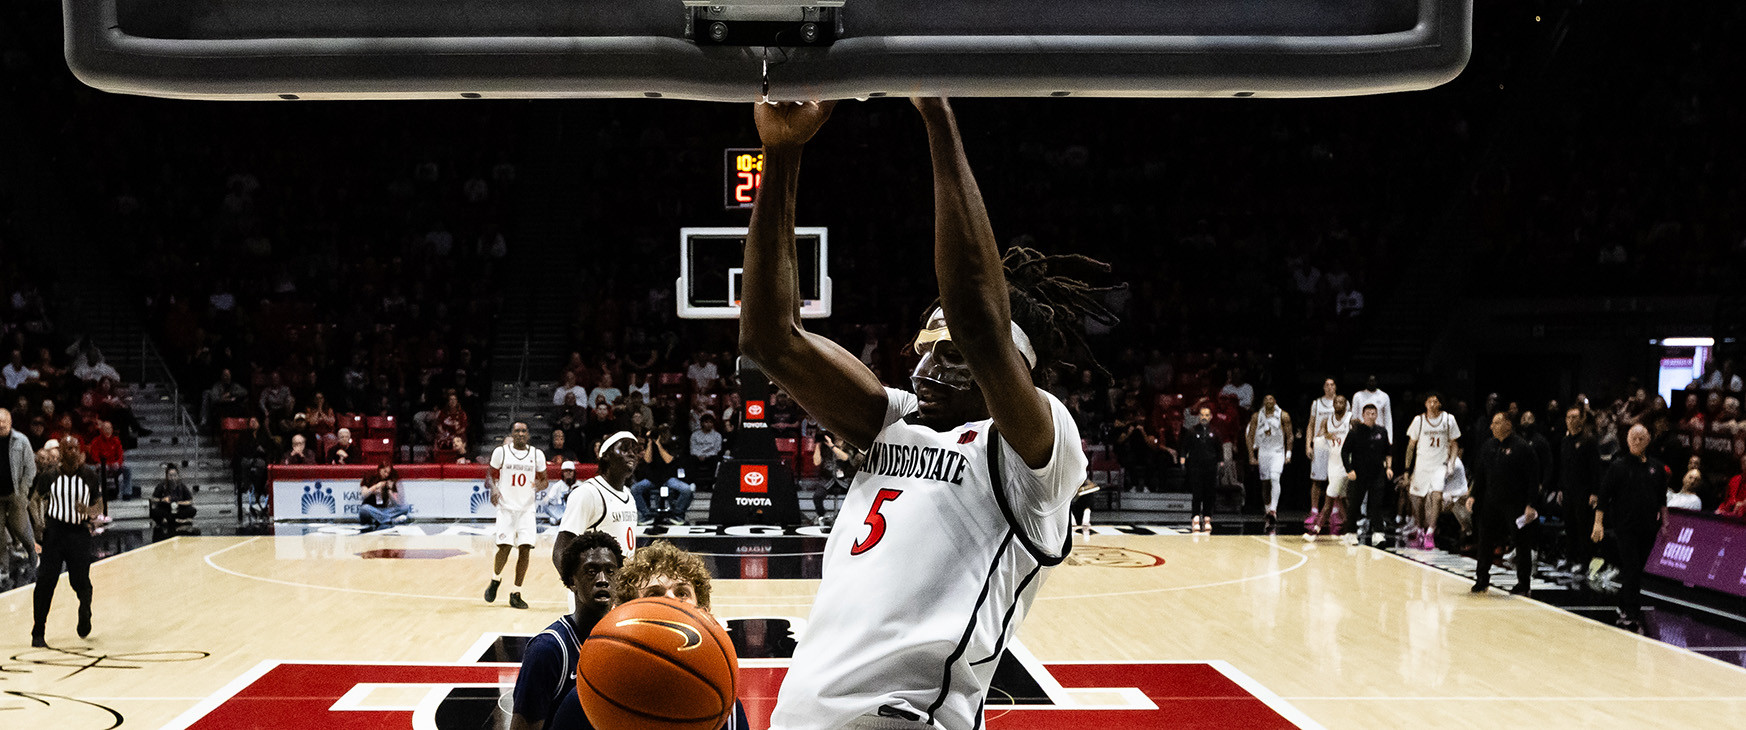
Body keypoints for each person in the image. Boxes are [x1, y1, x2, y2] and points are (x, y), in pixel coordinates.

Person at [743, 98, 1102, 730]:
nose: (928, 366)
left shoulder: (1034, 450)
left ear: (1011, 369)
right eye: (926, 348)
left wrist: (936, 112)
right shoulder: (895, 420)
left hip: (904, 718)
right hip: (801, 714)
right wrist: (782, 151)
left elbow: (979, 320)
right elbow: (772, 340)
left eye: (953, 355)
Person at [593, 540, 751, 729]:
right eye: (654, 594)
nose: (671, 599)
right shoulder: (596, 690)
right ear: (626, 611)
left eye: (682, 593)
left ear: (703, 609)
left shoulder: (725, 706)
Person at [507, 530, 624, 730]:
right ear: (571, 582)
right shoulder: (547, 650)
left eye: (610, 571)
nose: (602, 579)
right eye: (591, 571)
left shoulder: (626, 641)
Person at [1593, 424, 1668, 631]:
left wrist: (1665, 524)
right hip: (1625, 527)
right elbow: (1603, 496)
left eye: (1641, 438)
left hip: (1648, 527)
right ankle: (1632, 611)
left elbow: (1662, 499)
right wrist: (1598, 523)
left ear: (1648, 440)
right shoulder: (1618, 467)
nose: (1637, 441)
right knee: (1632, 566)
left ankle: (1623, 601)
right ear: (1627, 440)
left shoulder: (1657, 468)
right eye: (1633, 437)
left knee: (1636, 569)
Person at [28, 436, 101, 647]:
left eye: (75, 448)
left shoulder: (89, 476)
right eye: (68, 448)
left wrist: (87, 510)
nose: (72, 452)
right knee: (45, 581)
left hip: (79, 533)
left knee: (79, 580)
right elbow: (34, 500)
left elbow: (99, 506)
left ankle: (85, 609)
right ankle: (38, 630)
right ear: (61, 451)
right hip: (55, 533)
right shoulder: (49, 476)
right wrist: (39, 523)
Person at [1469, 412, 1542, 596]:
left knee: (1521, 543)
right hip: (1491, 502)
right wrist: (1473, 495)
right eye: (1492, 423)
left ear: (1508, 425)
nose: (1492, 426)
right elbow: (1480, 474)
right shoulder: (1488, 446)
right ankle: (1482, 579)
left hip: (1515, 503)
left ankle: (1523, 583)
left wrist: (1531, 504)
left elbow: (1533, 478)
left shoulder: (1522, 448)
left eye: (1496, 423)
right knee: (1485, 540)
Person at [555, 432, 641, 569]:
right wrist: (574, 581)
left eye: (635, 451)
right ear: (606, 455)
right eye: (624, 449)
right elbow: (560, 551)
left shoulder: (628, 494)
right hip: (599, 580)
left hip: (623, 580)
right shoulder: (587, 493)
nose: (632, 454)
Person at [485, 422, 548, 610]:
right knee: (504, 547)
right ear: (511, 434)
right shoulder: (501, 452)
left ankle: (516, 592)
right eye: (517, 431)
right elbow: (490, 475)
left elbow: (545, 480)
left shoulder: (536, 454)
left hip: (527, 509)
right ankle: (496, 579)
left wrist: (538, 486)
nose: (520, 434)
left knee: (525, 548)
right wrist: (494, 489)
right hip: (506, 507)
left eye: (523, 431)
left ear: (528, 434)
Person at [1404, 393, 1461, 550]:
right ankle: (1420, 529)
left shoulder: (1448, 419)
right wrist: (1407, 470)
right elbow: (1411, 446)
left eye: (1436, 401)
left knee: (1437, 496)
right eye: (1430, 401)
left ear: (1440, 404)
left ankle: (1430, 531)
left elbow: (1454, 443)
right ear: (1425, 404)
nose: (1433, 404)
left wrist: (1451, 462)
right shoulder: (1419, 420)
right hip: (1422, 465)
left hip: (1439, 465)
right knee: (1418, 500)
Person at [1558, 407, 1604, 575]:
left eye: (1575, 417)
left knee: (1582, 526)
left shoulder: (1588, 440)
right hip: (1568, 490)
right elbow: (1563, 467)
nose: (1571, 420)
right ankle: (1570, 558)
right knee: (1569, 525)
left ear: (1581, 419)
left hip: (1584, 491)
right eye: (1569, 417)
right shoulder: (1565, 441)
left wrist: (1595, 492)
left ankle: (1585, 561)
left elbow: (1595, 469)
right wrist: (1560, 488)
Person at [1341, 403, 1393, 546]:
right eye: (1368, 413)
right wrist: (1349, 469)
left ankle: (1378, 532)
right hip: (1359, 473)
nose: (1371, 416)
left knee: (1376, 503)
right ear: (1363, 415)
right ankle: (1351, 532)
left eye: (1373, 413)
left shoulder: (1382, 431)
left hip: (1377, 473)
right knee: (1355, 503)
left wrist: (1389, 467)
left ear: (1377, 415)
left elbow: (1388, 451)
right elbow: (1344, 451)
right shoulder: (1355, 432)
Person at [1, 408, 38, 587]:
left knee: (21, 529)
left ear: (10, 423)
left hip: (15, 493)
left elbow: (31, 468)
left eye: (3, 422)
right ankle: (3, 568)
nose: (0, 425)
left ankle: (32, 552)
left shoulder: (21, 441)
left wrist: (23, 492)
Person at [1245, 394, 1293, 531]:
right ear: (1263, 402)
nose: (1268, 401)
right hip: (1264, 452)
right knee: (1265, 483)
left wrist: (1288, 454)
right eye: (1266, 399)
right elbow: (1250, 436)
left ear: (1275, 401)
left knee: (1275, 477)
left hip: (1278, 451)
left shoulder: (1283, 415)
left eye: (1271, 399)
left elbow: (1289, 436)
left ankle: (1273, 510)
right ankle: (1267, 510)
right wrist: (1251, 456)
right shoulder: (1257, 416)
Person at [1306, 395, 1351, 539]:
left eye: (1342, 402)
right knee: (1342, 498)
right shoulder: (1327, 421)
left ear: (1346, 405)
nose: (1339, 404)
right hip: (1333, 462)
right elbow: (1320, 437)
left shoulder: (1351, 419)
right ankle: (1351, 529)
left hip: (1345, 463)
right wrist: (1324, 436)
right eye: (1336, 402)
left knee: (1330, 496)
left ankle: (1316, 529)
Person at [633, 425, 694, 526]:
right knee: (635, 489)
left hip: (668, 477)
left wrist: (659, 445)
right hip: (653, 478)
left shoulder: (672, 444)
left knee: (686, 490)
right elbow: (647, 460)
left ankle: (677, 514)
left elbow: (668, 460)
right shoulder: (652, 445)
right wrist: (650, 442)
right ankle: (646, 515)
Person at [1182, 405, 1223, 533]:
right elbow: (1184, 448)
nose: (1204, 417)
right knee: (1197, 493)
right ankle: (1195, 517)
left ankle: (1207, 518)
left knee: (1209, 494)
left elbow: (1219, 450)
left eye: (1206, 415)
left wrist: (1221, 463)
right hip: (1196, 466)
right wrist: (1182, 461)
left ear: (1210, 417)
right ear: (1199, 416)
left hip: (1210, 467)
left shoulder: (1215, 432)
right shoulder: (1192, 431)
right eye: (1202, 415)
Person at [1305, 378, 1339, 529]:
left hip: (1335, 444)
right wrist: (1308, 445)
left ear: (1335, 387)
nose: (1330, 387)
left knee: (1335, 478)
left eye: (1332, 384)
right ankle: (1314, 510)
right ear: (1323, 387)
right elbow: (1311, 425)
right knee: (1316, 480)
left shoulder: (1342, 402)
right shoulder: (1317, 403)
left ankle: (1334, 511)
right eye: (1327, 385)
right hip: (1320, 443)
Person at [811, 429, 856, 525]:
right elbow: (816, 462)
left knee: (856, 494)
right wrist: (818, 445)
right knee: (817, 496)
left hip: (845, 480)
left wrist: (832, 446)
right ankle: (821, 516)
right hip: (827, 480)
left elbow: (845, 458)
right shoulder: (824, 445)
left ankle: (852, 516)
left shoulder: (848, 445)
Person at [150, 464, 198, 537]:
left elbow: (189, 500)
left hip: (178, 509)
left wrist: (179, 503)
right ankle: (179, 520)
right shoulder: (161, 485)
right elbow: (153, 499)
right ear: (166, 476)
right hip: (166, 509)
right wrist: (162, 499)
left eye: (175, 475)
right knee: (154, 511)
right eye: (170, 475)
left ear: (178, 475)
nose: (172, 478)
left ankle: (171, 520)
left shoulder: (181, 486)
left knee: (192, 510)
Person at [359, 462, 410, 527]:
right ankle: (390, 520)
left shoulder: (389, 481)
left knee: (405, 507)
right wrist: (375, 487)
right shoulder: (369, 478)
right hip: (372, 509)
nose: (386, 474)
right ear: (380, 469)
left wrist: (389, 490)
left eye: (388, 473)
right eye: (385, 471)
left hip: (383, 510)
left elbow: (395, 503)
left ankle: (380, 520)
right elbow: (363, 495)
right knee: (364, 509)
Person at [1351, 375, 1394, 441]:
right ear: (1366, 382)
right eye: (1369, 381)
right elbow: (1354, 418)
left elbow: (1388, 419)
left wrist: (1389, 438)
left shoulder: (1384, 396)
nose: (1371, 383)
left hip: (1379, 433)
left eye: (1373, 381)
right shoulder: (1358, 396)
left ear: (1377, 382)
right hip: (1362, 433)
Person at [540, 461, 580, 526]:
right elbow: (545, 502)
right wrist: (556, 515)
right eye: (566, 471)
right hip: (561, 515)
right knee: (553, 520)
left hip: (576, 514)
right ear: (562, 473)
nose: (568, 473)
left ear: (574, 472)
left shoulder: (580, 485)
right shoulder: (557, 486)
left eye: (570, 471)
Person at [1717, 453, 1746, 518]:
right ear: (1742, 465)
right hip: (1729, 516)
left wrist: (1742, 504)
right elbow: (1726, 501)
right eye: (1744, 462)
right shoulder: (1734, 480)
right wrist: (1720, 509)